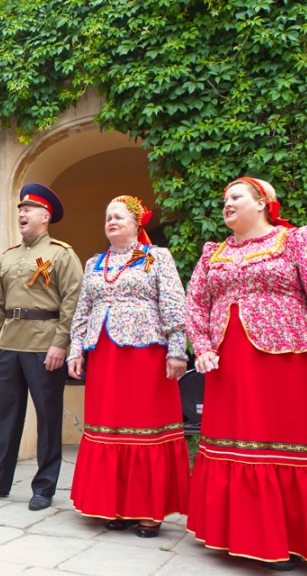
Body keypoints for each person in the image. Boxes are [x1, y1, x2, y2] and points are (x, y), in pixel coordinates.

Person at [186, 177, 307, 570]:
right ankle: (243, 534)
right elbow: (195, 305)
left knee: (293, 441)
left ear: (263, 202)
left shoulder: (299, 240)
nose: (226, 203)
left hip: (293, 364)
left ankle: (297, 539)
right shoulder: (212, 254)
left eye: (236, 197)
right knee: (242, 443)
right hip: (230, 368)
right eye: (223, 199)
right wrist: (202, 347)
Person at [67, 195, 190, 537]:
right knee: (109, 424)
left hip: (146, 352)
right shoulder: (94, 262)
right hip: (104, 353)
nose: (112, 221)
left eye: (119, 216)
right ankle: (116, 505)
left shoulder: (156, 257)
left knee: (144, 424)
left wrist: (177, 350)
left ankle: (150, 511)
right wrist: (76, 350)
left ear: (137, 224)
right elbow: (83, 309)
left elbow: (174, 303)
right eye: (108, 217)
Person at [0, 183, 82, 510]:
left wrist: (61, 343)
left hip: (45, 345)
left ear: (46, 217)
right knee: (4, 417)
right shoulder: (9, 256)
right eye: (19, 210)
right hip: (10, 344)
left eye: (28, 209)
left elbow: (73, 301)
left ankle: (44, 487)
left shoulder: (61, 253)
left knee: (47, 417)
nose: (21, 214)